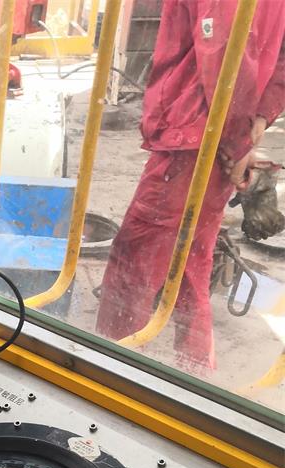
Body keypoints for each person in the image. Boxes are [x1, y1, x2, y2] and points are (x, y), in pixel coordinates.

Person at [96, 0, 285, 372]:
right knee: (191, 259)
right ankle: (194, 368)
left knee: (136, 260)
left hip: (195, 134)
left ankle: (108, 370)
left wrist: (237, 144)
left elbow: (222, 49)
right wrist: (257, 122)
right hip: (218, 130)